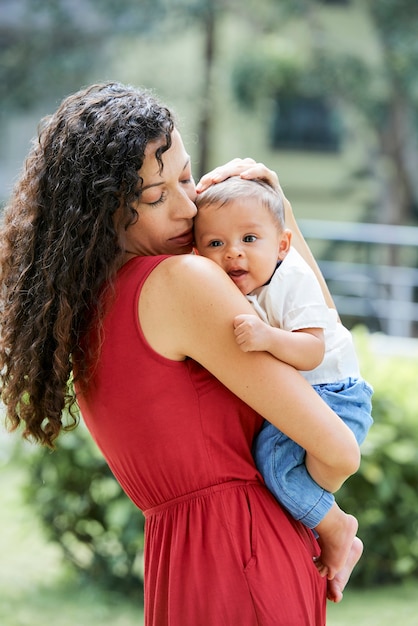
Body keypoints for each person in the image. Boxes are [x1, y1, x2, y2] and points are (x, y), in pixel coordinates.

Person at [0, 81, 361, 625]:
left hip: (182, 565)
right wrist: (321, 513)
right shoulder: (181, 281)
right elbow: (336, 438)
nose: (188, 207)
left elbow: (315, 337)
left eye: (187, 177)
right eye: (156, 196)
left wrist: (276, 216)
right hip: (249, 557)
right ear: (104, 211)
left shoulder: (82, 311)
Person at [194, 175, 373, 584]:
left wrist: (267, 338)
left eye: (249, 239)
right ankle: (331, 532)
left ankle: (337, 526)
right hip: (318, 394)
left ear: (282, 246)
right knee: (280, 477)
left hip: (336, 397)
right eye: (216, 244)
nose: (233, 252)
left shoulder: (292, 280)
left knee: (275, 463)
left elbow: (312, 350)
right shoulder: (246, 287)